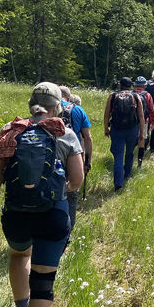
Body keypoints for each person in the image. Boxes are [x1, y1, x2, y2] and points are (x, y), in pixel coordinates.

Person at [0, 82, 84, 307]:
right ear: (57, 107)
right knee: (43, 282)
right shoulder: (65, 133)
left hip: (15, 214)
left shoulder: (10, 132)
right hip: (53, 215)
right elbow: (77, 179)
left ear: (31, 105)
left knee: (19, 255)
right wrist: (58, 190)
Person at [58, 86, 93, 230]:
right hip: (73, 154)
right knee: (72, 193)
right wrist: (87, 161)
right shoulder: (77, 110)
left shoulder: (47, 108)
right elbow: (87, 137)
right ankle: (68, 230)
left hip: (49, 154)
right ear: (69, 95)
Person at [103, 77, 146, 191]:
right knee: (130, 152)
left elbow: (107, 114)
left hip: (116, 129)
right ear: (131, 85)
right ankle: (127, 175)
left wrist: (106, 128)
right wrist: (141, 132)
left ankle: (118, 183)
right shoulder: (136, 96)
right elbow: (141, 116)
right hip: (132, 129)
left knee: (118, 156)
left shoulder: (112, 96)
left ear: (120, 85)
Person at [133, 76, 154, 167]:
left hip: (132, 121)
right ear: (145, 86)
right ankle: (140, 161)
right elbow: (151, 109)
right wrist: (153, 121)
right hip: (144, 121)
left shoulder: (131, 93)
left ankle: (129, 158)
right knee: (142, 139)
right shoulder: (147, 95)